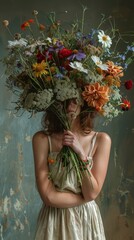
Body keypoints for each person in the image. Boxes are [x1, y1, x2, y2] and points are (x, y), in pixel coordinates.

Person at [32, 98, 111, 240]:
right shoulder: (42, 139)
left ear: (85, 101)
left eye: (75, 100)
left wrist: (80, 153)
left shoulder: (101, 140)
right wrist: (85, 198)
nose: (69, 105)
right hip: (54, 220)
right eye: (64, 99)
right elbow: (49, 197)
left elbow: (92, 191)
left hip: (87, 220)